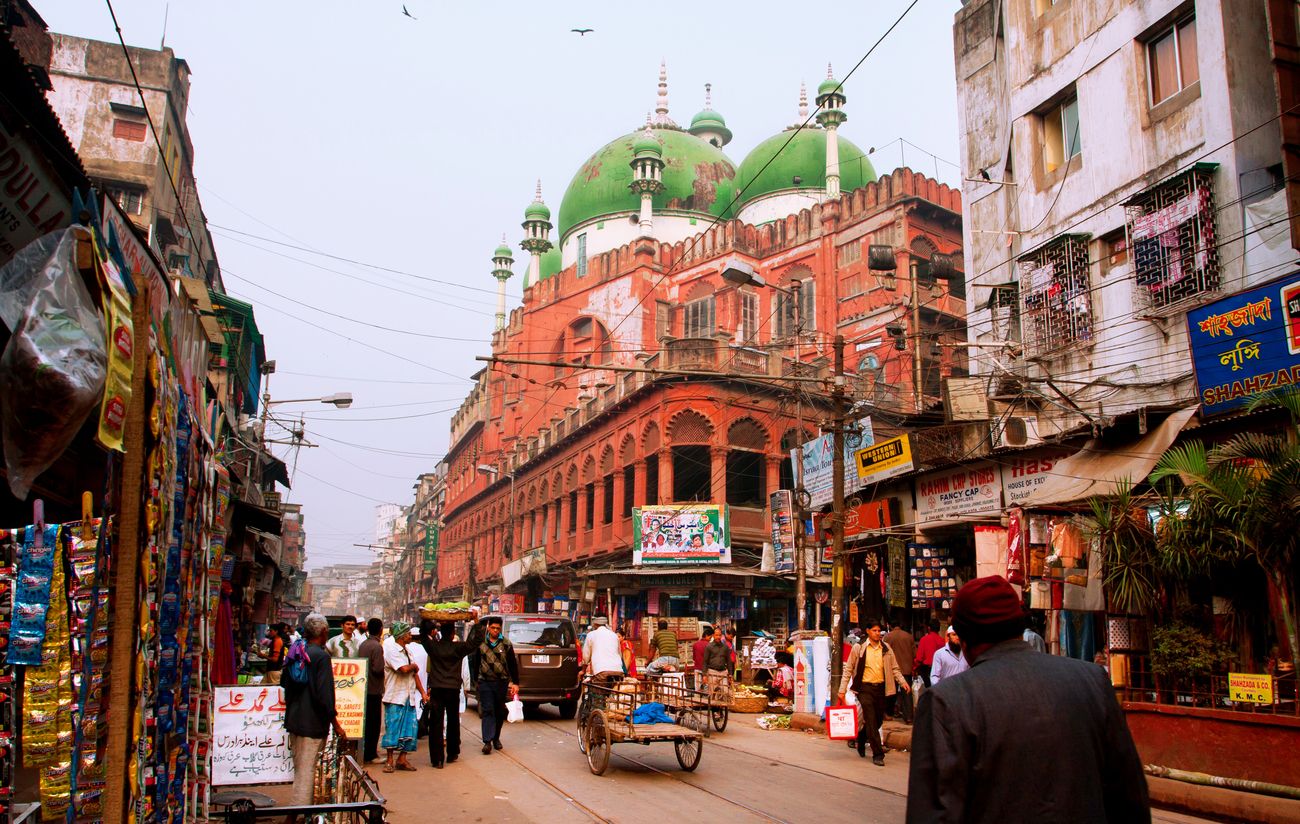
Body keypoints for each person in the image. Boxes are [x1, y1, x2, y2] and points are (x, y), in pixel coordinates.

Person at [907, 576, 1149, 822]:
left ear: (964, 638)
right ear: (1019, 626)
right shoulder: (1092, 681)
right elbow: (1131, 803)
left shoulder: (945, 703)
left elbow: (932, 814)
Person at [282, 613, 345, 807]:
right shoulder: (321, 656)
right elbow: (325, 696)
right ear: (324, 632)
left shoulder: (297, 651)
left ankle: (299, 812)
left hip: (294, 719)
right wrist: (336, 724)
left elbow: (285, 684)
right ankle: (296, 815)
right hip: (312, 723)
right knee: (306, 772)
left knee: (301, 769)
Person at [837, 620, 910, 766]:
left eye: (879, 631)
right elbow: (849, 669)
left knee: (877, 720)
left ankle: (862, 736)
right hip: (865, 689)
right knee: (870, 718)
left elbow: (894, 668)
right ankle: (878, 754)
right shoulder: (859, 648)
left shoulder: (886, 648)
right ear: (868, 631)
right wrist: (842, 690)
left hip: (881, 688)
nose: (878, 634)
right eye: (875, 631)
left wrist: (903, 682)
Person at [423, 622, 475, 768]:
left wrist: (427, 621)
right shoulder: (458, 648)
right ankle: (452, 753)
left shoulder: (434, 647)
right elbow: (475, 641)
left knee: (436, 724)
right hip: (453, 689)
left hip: (437, 689)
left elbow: (422, 636)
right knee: (453, 721)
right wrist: (476, 623)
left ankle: (437, 759)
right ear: (453, 634)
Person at [381, 621, 427, 773]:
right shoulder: (391, 650)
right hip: (395, 695)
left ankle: (402, 758)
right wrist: (413, 667)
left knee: (410, 729)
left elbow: (415, 675)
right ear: (401, 635)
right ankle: (389, 760)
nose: (410, 636)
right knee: (392, 729)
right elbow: (404, 669)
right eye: (407, 633)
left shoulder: (408, 651)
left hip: (409, 696)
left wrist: (423, 693)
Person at [472, 616, 518, 755]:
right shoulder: (481, 643)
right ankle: (487, 741)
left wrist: (515, 683)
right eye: (493, 628)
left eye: (498, 628)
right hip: (485, 682)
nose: (495, 630)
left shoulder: (506, 644)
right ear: (488, 628)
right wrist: (476, 682)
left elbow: (512, 665)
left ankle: (496, 738)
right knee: (488, 710)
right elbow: (475, 663)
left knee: (499, 711)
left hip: (501, 682)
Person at [357, 618, 385, 763]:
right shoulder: (377, 646)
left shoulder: (363, 644)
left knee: (367, 723)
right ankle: (371, 754)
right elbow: (378, 668)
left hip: (363, 689)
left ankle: (366, 752)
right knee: (374, 724)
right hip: (374, 689)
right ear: (380, 629)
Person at [884, 621, 916, 724]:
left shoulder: (888, 637)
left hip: (892, 669)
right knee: (907, 693)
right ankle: (909, 717)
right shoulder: (909, 636)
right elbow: (914, 653)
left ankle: (889, 713)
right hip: (906, 669)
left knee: (890, 692)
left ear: (891, 626)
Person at [583, 615, 624, 680]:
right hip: (618, 670)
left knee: (598, 689)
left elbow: (586, 657)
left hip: (601, 670)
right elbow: (619, 654)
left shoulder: (591, 634)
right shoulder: (614, 635)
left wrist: (583, 671)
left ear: (595, 624)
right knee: (614, 689)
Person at [700, 625, 733, 704]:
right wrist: (704, 675)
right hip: (712, 672)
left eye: (719, 635)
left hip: (723, 672)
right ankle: (714, 710)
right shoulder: (709, 647)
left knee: (725, 692)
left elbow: (729, 661)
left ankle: (721, 709)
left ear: (721, 636)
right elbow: (705, 661)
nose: (718, 637)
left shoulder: (725, 647)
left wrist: (730, 674)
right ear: (713, 636)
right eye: (716, 635)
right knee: (713, 693)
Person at [914, 619, 944, 688]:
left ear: (929, 628)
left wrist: (914, 668)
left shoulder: (924, 639)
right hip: (939, 670)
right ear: (939, 629)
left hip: (927, 670)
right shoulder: (943, 641)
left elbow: (919, 658)